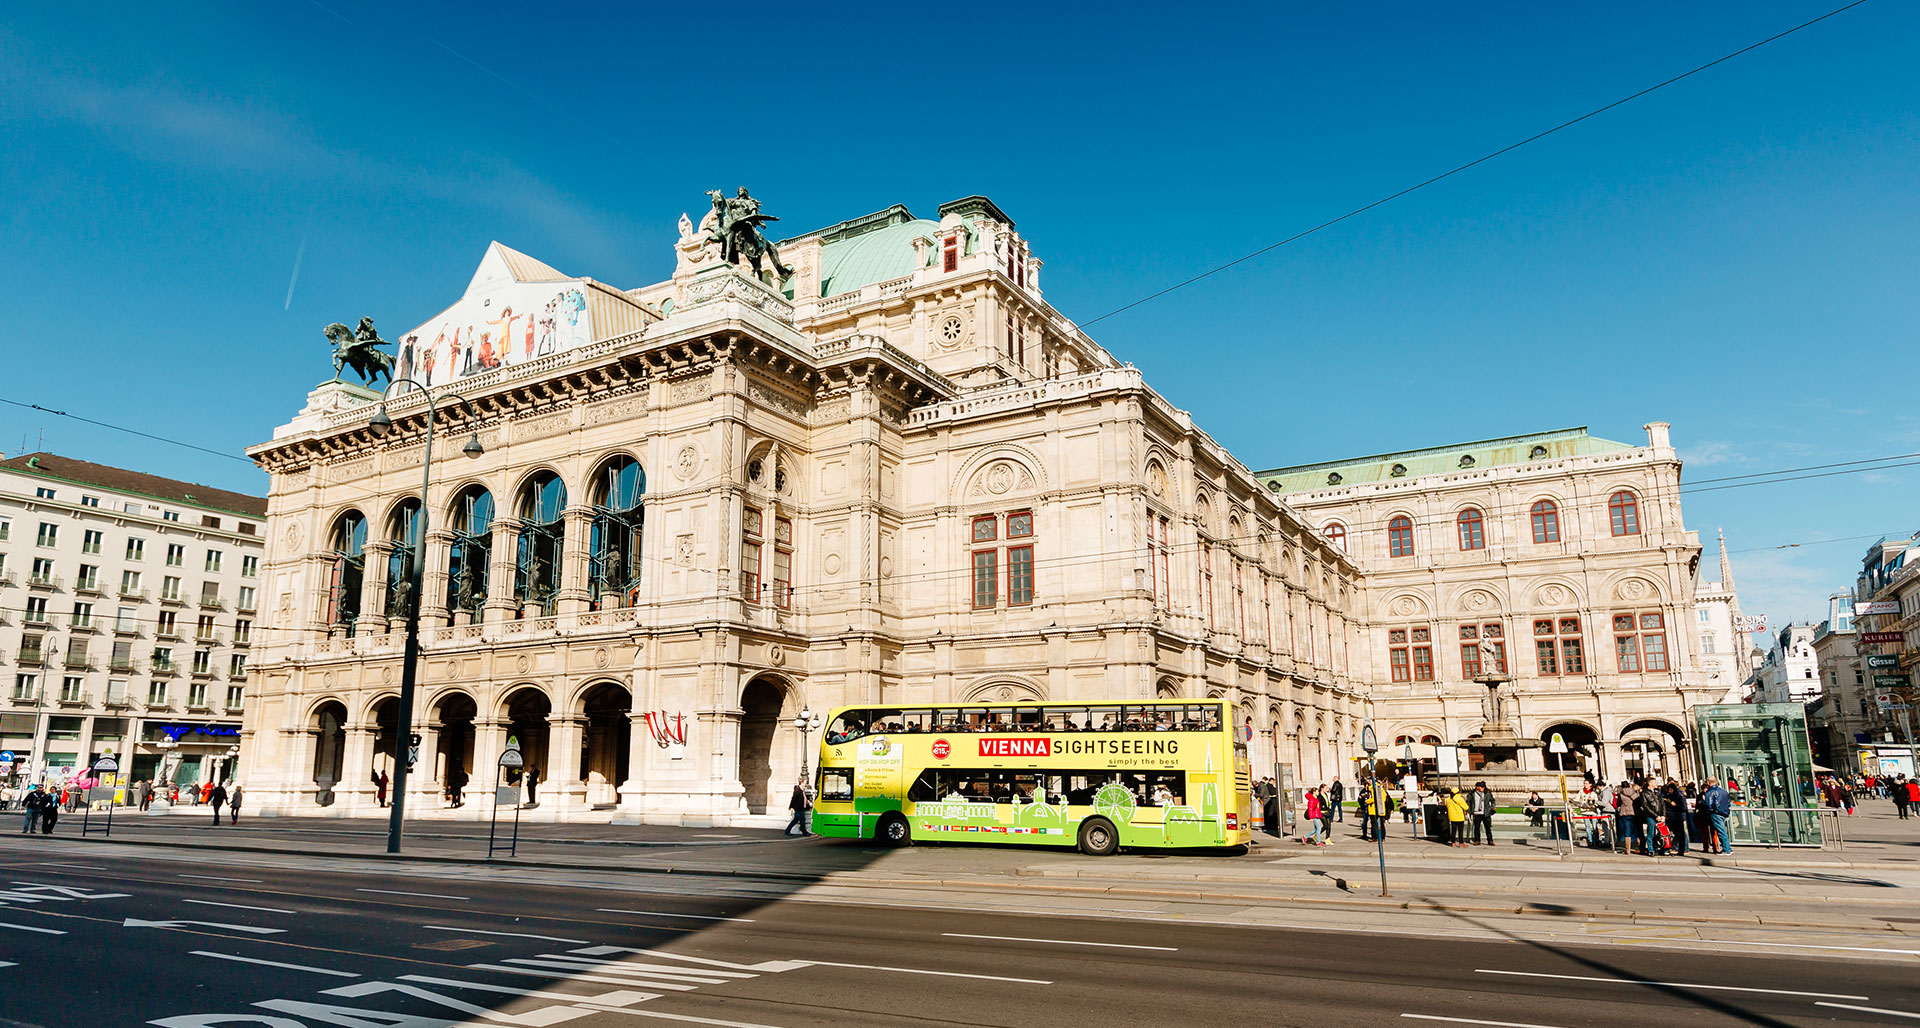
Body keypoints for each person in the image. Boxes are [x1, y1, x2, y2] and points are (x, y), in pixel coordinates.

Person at [1701, 776, 1732, 854]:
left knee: (1721, 832)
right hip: (1724, 813)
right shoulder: (1724, 791)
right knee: (1723, 831)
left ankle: (1726, 849)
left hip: (1715, 813)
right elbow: (1728, 803)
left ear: (1708, 783)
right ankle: (1727, 848)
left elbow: (1709, 804)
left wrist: (1711, 811)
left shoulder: (1709, 792)